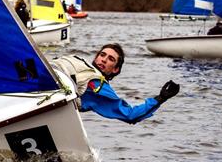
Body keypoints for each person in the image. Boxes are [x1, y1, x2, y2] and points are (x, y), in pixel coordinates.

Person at [50, 43, 179, 124]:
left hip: (47, 98)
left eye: (110, 59)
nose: (104, 60)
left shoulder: (100, 87)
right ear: (96, 57)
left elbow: (130, 115)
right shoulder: (80, 62)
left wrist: (160, 98)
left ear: (115, 69)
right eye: (102, 55)